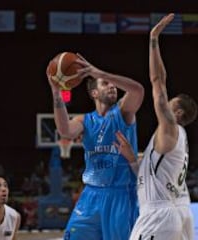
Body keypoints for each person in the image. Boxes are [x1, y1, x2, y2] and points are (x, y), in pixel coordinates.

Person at [114, 13, 198, 240]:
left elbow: (158, 81)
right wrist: (133, 159)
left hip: (159, 216)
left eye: (170, 103)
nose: (164, 103)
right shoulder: (176, 137)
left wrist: (153, 39)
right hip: (176, 211)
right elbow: (154, 172)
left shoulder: (170, 127)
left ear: (177, 113)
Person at [46, 54, 144, 240]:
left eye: (111, 83)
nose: (112, 86)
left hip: (121, 195)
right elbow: (65, 131)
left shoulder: (123, 112)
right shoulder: (85, 120)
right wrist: (56, 92)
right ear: (94, 93)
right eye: (105, 84)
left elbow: (138, 90)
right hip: (91, 195)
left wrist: (100, 73)